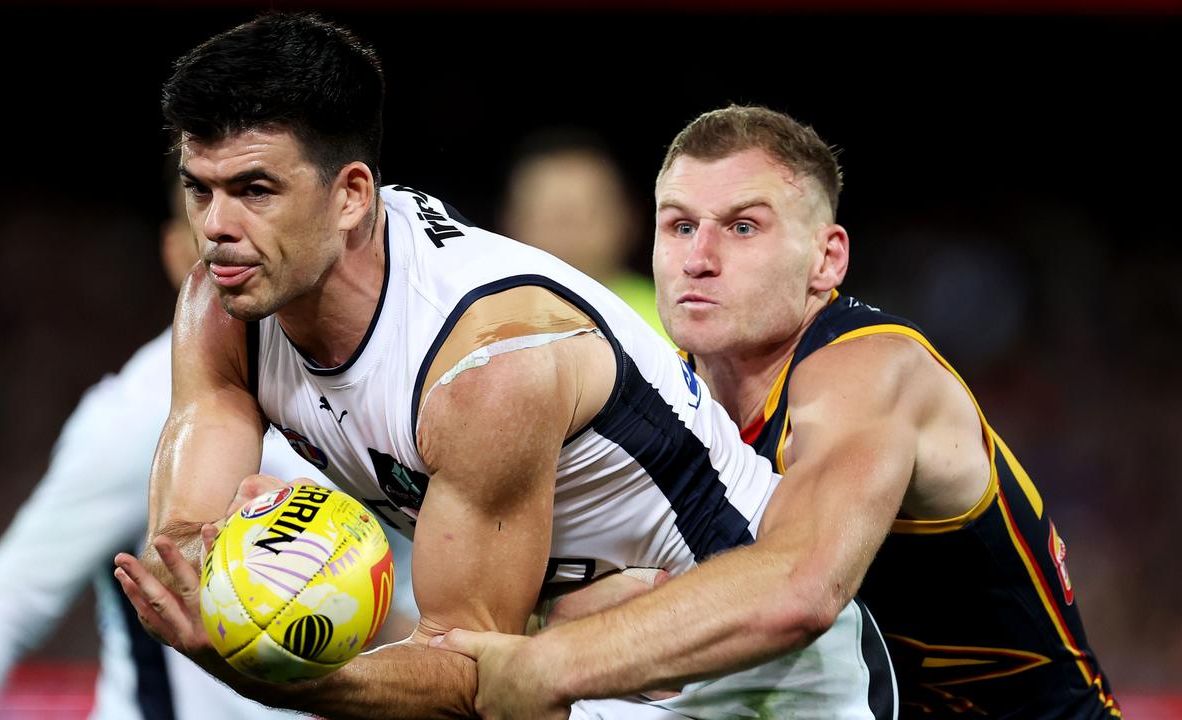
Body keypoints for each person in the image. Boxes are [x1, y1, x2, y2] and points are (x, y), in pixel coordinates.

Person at [111, 13, 894, 720]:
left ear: (351, 196)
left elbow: (469, 678)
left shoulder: (489, 362)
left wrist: (261, 663)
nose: (216, 227)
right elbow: (182, 542)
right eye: (199, 189)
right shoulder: (224, 300)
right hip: (574, 666)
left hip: (761, 679)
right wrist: (205, 576)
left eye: (254, 190)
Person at [437, 105, 1121, 719]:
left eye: (742, 226)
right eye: (679, 225)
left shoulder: (872, 369)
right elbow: (585, 602)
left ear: (827, 259)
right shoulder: (668, 394)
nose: (697, 259)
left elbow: (799, 588)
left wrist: (551, 663)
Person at [0, 162, 417, 720]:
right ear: (179, 255)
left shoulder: (352, 385)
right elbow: (4, 606)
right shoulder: (134, 415)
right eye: (211, 233)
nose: (235, 244)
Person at [501, 129, 667, 339]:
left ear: (628, 219)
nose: (568, 234)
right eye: (550, 217)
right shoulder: (473, 322)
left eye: (585, 215)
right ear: (511, 224)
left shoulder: (670, 320)